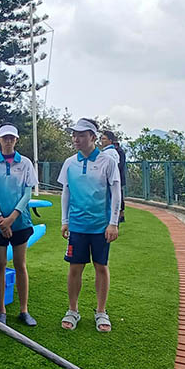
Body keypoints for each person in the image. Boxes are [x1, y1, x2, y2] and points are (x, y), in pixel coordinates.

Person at [58, 118, 121, 332]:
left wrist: (113, 223)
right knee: (75, 267)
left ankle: (101, 312)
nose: (76, 139)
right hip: (77, 226)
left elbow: (116, 193)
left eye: (81, 135)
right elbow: (66, 193)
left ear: (93, 137)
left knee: (101, 267)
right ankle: (72, 310)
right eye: (74, 135)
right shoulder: (69, 163)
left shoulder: (107, 161)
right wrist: (65, 221)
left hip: (101, 226)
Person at [0, 124, 38, 327]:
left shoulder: (26, 163)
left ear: (16, 140)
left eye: (12, 138)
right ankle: (1, 311)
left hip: (20, 222)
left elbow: (27, 194)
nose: (8, 141)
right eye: (5, 138)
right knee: (0, 265)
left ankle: (24, 310)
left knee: (20, 265)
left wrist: (11, 219)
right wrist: (0, 220)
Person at [100, 130, 127, 223]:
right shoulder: (113, 151)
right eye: (101, 138)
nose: (102, 141)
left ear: (110, 141)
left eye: (104, 139)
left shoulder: (109, 153)